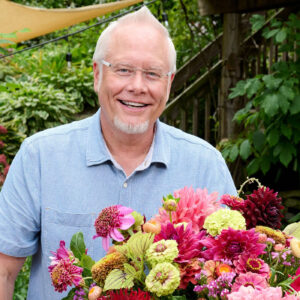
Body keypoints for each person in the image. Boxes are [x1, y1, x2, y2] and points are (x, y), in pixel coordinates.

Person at [0, 6, 237, 300]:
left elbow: (232, 275)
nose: (137, 86)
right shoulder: (40, 157)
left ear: (169, 82)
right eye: (123, 70)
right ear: (97, 73)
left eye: (152, 74)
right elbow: (3, 270)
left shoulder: (205, 165)